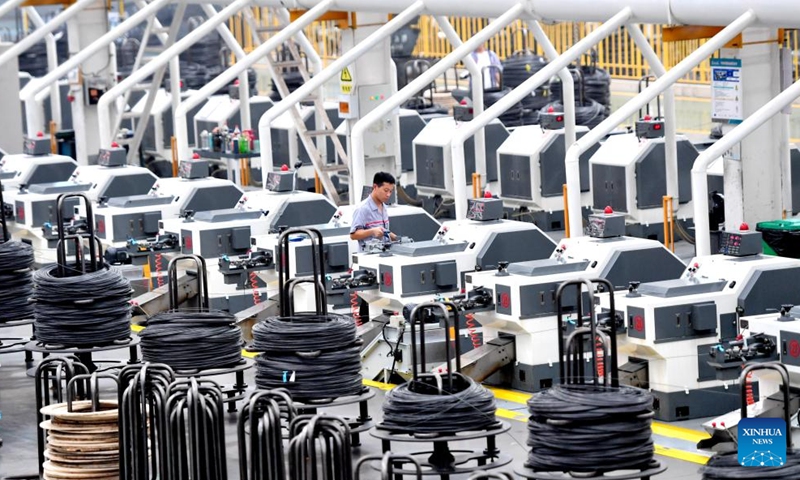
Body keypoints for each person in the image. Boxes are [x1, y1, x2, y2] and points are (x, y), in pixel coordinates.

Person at [350, 172, 398, 251]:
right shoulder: (363, 209)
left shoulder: (384, 208)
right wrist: (372, 231)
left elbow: (384, 231)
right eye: (386, 190)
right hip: (368, 259)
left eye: (390, 191)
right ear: (375, 187)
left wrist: (398, 239)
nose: (388, 195)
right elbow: (353, 235)